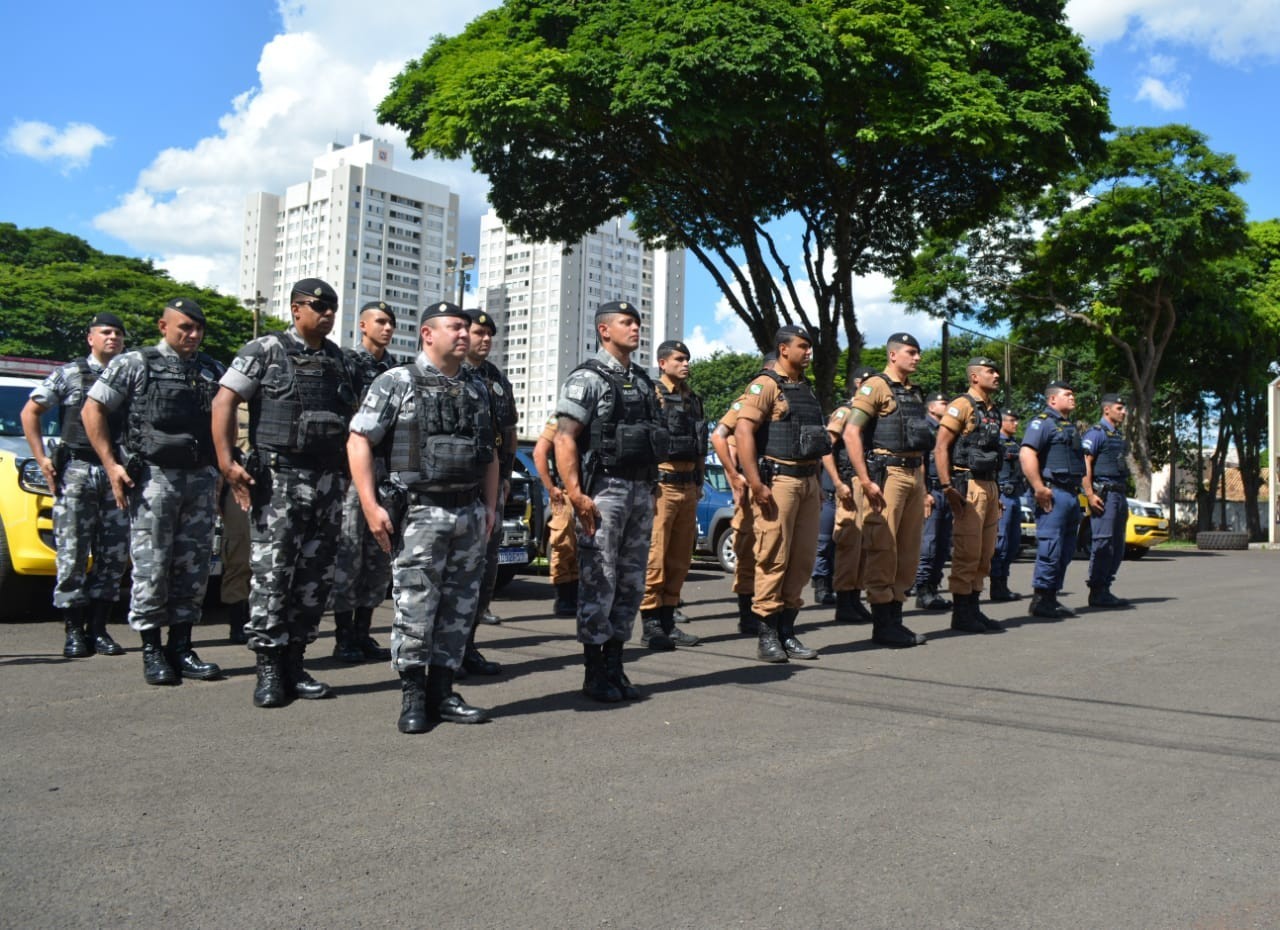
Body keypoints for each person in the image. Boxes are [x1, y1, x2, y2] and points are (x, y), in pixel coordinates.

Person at [348, 301, 499, 733]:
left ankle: (443, 692)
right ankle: (413, 697)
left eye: (466, 328)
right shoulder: (396, 382)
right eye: (454, 327)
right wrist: (370, 504)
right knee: (415, 605)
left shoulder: (476, 388)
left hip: (468, 511)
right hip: (419, 511)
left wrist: (490, 507)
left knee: (458, 608)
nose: (465, 334)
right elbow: (359, 441)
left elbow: (489, 454)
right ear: (427, 334)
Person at [212, 278, 359, 708]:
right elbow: (224, 401)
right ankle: (270, 669)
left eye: (332, 306)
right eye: (318, 305)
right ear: (296, 309)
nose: (328, 313)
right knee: (274, 576)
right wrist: (227, 461)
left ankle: (296, 662)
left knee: (315, 578)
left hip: (328, 481)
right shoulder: (265, 350)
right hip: (280, 480)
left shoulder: (339, 360)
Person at [81, 298, 224, 686]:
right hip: (153, 479)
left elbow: (225, 417)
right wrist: (111, 464)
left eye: (198, 328)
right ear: (163, 326)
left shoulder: (212, 369)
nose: (192, 335)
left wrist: (223, 466)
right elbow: (92, 409)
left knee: (193, 568)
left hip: (199, 478)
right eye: (184, 328)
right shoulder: (135, 363)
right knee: (152, 565)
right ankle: (152, 649)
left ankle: (182, 646)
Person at [553, 300, 662, 702]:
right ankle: (594, 670)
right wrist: (576, 493)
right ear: (604, 330)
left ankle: (615, 664)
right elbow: (564, 437)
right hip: (605, 490)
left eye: (637, 322)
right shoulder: (588, 378)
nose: (635, 328)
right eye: (626, 322)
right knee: (600, 579)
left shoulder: (645, 381)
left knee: (632, 583)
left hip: (639, 490)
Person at [21, 313, 131, 659]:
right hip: (78, 472)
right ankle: (73, 630)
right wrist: (41, 458)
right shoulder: (70, 374)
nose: (112, 338)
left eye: (118, 333)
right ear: (90, 339)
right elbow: (30, 412)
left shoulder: (129, 375)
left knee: (113, 557)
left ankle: (98, 629)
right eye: (106, 332)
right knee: (71, 554)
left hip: (117, 474)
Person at [735, 326, 832, 663]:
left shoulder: (804, 388)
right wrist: (755, 483)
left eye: (809, 347)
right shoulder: (765, 385)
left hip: (807, 482)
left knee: (802, 561)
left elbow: (814, 440)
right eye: (802, 346)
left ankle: (788, 632)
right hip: (779, 482)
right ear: (783, 349)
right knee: (773, 557)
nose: (808, 352)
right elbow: (743, 430)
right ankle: (767, 636)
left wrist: (818, 483)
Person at [842, 333, 935, 647]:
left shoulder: (912, 392)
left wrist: (923, 487)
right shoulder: (875, 387)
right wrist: (866, 479)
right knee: (884, 549)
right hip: (888, 474)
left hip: (913, 473)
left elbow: (918, 443)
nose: (917, 357)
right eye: (911, 352)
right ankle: (882, 624)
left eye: (918, 352)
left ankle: (896, 619)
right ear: (893, 355)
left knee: (908, 552)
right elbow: (851, 432)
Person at [331, 300, 401, 663]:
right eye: (380, 321)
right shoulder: (345, 363)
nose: (387, 328)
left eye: (391, 323)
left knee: (378, 556)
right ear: (362, 326)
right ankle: (343, 636)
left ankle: (363, 631)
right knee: (349, 553)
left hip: (386, 471)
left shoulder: (396, 369)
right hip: (353, 471)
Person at [459, 309, 519, 676]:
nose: (485, 339)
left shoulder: (496, 378)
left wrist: (508, 474)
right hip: (455, 481)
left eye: (489, 334)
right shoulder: (447, 372)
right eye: (479, 332)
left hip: (492, 482)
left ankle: (468, 645)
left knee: (485, 568)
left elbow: (509, 430)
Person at [639, 340, 706, 651]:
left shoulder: (693, 399)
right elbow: (645, 441)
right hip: (662, 485)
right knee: (656, 556)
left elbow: (700, 444)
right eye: (679, 359)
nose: (685, 363)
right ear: (662, 363)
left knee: (680, 558)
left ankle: (669, 621)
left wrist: (700, 481)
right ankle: (651, 625)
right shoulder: (652, 396)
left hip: (689, 485)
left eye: (687, 358)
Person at [934, 358, 1006, 634]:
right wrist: (946, 487)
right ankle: (961, 613)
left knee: (985, 553)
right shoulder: (961, 404)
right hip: (969, 485)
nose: (996, 375)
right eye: (990, 371)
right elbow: (941, 447)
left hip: (989, 484)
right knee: (967, 551)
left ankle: (974, 608)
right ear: (975, 376)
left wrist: (996, 490)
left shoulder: (992, 410)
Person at [708, 353, 777, 636]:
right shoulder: (751, 397)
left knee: (773, 553)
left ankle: (770, 613)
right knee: (748, 551)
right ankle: (748, 615)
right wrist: (734, 477)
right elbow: (720, 437)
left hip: (776, 486)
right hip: (752, 490)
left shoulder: (786, 397)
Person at [1019, 381, 1084, 619]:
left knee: (1065, 550)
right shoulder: (1042, 423)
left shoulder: (1068, 426)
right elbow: (1026, 453)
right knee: (1051, 547)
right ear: (1052, 399)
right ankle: (1040, 600)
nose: (1072, 398)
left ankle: (1052, 597)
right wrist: (1038, 487)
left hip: (1070, 494)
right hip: (1053, 493)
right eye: (1068, 394)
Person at [819, 365, 878, 624]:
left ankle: (855, 598)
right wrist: (836, 482)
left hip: (866, 484)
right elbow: (825, 448)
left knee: (864, 544)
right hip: (849, 484)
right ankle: (844, 602)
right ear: (857, 384)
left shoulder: (870, 415)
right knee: (849, 544)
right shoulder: (845, 412)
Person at [1082, 394, 1132, 608]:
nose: (1123, 412)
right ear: (1107, 410)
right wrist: (1090, 494)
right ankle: (1097, 589)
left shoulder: (1116, 434)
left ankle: (1106, 587)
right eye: (1119, 408)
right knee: (1103, 541)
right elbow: (1086, 464)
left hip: (1119, 494)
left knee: (1118, 544)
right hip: (1105, 494)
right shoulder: (1096, 433)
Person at [532, 416, 579, 617]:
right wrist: (550, 488)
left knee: (586, 547)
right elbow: (539, 453)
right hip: (565, 493)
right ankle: (564, 598)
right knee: (563, 544)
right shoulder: (561, 418)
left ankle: (578, 595)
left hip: (591, 491)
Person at [912, 393, 953, 612]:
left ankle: (933, 588)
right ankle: (922, 590)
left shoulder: (944, 430)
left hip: (946, 491)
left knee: (943, 544)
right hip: (931, 491)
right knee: (928, 543)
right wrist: (923, 492)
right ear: (930, 407)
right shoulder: (924, 428)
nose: (947, 406)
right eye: (943, 403)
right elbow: (919, 462)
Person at [988, 410, 1025, 602]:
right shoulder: (996, 443)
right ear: (1002, 422)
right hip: (1002, 495)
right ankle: (996, 585)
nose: (1016, 424)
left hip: (1015, 496)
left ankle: (1003, 582)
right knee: (1000, 544)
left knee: (1012, 543)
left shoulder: (1016, 444)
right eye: (1012, 420)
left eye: (1016, 420)